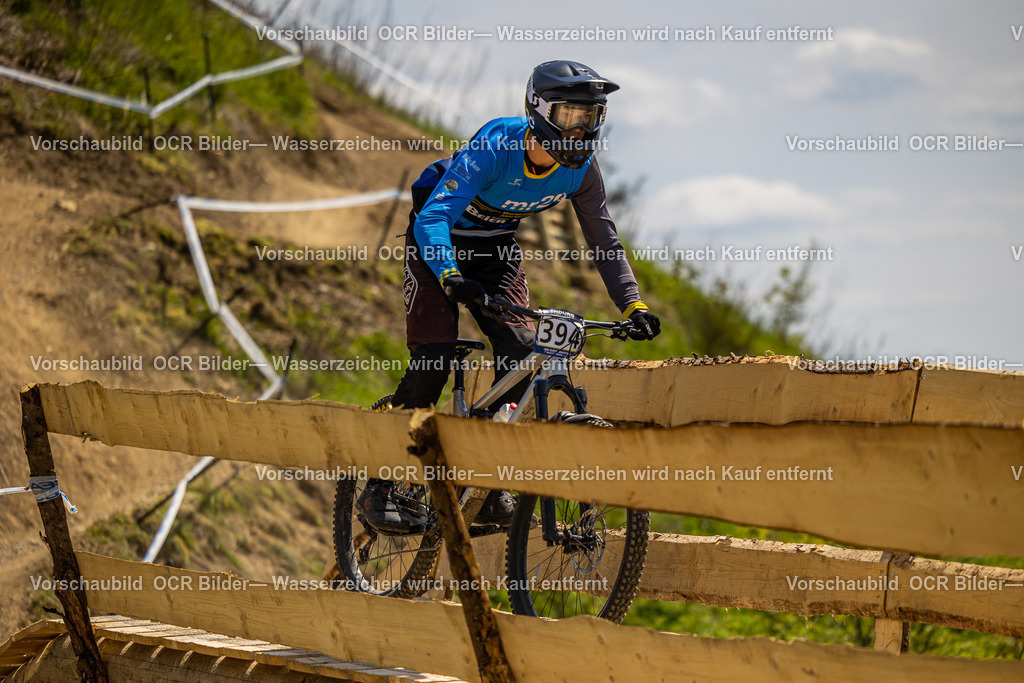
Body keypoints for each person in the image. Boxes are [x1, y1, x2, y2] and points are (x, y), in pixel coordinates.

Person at [359, 60, 661, 533]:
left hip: (495, 251)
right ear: (539, 111)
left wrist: (633, 304)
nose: (581, 132)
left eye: (592, 119)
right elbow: (432, 217)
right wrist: (450, 275)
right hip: (437, 245)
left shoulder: (581, 173)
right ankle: (379, 485)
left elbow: (604, 240)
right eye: (570, 117)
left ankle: (491, 484)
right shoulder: (498, 145)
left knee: (524, 350)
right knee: (434, 358)